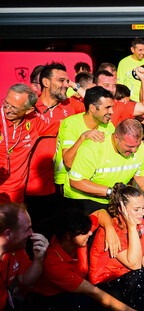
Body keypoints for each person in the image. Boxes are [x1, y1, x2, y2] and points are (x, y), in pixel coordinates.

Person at [26, 208, 144, 311]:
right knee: (79, 303)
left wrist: (110, 229)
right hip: (50, 303)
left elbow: (100, 213)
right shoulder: (53, 262)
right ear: (69, 236)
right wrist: (127, 310)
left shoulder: (78, 231)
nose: (90, 234)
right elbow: (92, 292)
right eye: (85, 233)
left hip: (79, 293)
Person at [65, 119, 144, 214]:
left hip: (114, 199)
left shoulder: (140, 149)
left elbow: (141, 175)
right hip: (83, 198)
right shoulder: (93, 148)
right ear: (116, 137)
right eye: (129, 146)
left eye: (137, 145)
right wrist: (111, 192)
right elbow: (76, 181)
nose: (134, 151)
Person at [26, 63, 76, 226]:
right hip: (35, 186)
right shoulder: (30, 107)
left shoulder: (71, 106)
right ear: (46, 83)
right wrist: (68, 126)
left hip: (65, 185)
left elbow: (96, 104)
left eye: (67, 81)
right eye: (61, 81)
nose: (66, 85)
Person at [0, 84, 59, 204]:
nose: (7, 110)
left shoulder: (34, 120)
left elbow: (62, 125)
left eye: (14, 108)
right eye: (6, 103)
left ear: (28, 110)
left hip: (15, 197)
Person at [53, 86, 115, 196]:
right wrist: (83, 138)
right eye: (107, 107)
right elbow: (68, 162)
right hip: (66, 184)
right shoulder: (71, 124)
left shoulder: (108, 126)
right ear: (92, 108)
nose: (112, 111)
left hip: (91, 181)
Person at [117, 38, 144, 102]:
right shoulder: (123, 63)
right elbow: (120, 85)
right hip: (132, 101)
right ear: (132, 49)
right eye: (140, 50)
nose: (143, 52)